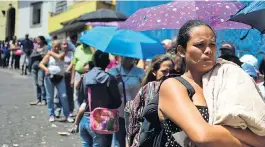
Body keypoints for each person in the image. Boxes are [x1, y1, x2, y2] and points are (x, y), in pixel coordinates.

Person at [158, 20, 265, 147]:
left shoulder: (225, 82)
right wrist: (251, 140)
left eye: (212, 44)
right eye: (200, 45)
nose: (208, 50)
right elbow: (202, 136)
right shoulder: (173, 86)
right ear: (181, 51)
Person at [76, 50, 121, 147]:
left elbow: (81, 98)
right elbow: (117, 102)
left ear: (94, 61)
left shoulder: (85, 77)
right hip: (104, 120)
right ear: (108, 62)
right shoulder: (110, 78)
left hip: (86, 118)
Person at [109, 57, 145, 147]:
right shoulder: (113, 72)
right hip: (116, 113)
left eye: (130, 57)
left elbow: (145, 90)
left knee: (134, 140)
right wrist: (115, 83)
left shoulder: (140, 72)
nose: (126, 59)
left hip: (135, 112)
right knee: (117, 140)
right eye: (124, 56)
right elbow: (108, 91)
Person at [39, 40, 73, 123]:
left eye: (58, 46)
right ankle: (51, 114)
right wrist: (46, 69)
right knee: (50, 98)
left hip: (60, 78)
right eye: (55, 46)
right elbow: (41, 64)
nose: (57, 48)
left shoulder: (62, 53)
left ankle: (67, 115)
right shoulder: (48, 56)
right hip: (49, 77)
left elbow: (58, 57)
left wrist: (50, 52)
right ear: (52, 46)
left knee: (64, 96)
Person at [71, 43, 94, 110]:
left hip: (89, 73)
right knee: (76, 94)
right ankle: (79, 112)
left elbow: (95, 58)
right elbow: (74, 64)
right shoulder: (77, 48)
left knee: (88, 93)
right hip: (78, 73)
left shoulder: (92, 48)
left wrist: (92, 49)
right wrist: (72, 79)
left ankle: (88, 110)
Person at [29, 36, 48, 106]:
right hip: (34, 66)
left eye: (38, 39)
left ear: (42, 40)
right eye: (37, 39)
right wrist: (38, 53)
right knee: (36, 84)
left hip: (41, 67)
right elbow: (31, 56)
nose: (37, 40)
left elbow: (45, 56)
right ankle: (38, 99)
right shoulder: (36, 47)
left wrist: (38, 54)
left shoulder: (45, 47)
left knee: (41, 83)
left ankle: (44, 99)